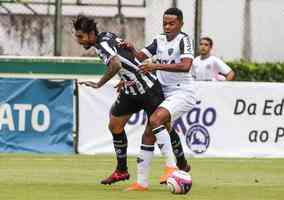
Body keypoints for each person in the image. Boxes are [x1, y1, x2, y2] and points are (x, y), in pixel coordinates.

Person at [72, 15, 188, 188]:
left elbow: (116, 64)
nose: (79, 41)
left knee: (163, 127)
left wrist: (98, 84)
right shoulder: (107, 36)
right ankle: (121, 170)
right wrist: (125, 77)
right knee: (115, 125)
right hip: (130, 88)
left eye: (81, 37)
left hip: (148, 87)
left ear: (90, 34)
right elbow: (126, 56)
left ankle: (181, 164)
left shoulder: (102, 45)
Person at [122, 8, 197, 191]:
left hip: (182, 92)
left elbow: (186, 66)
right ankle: (142, 183)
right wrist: (132, 50)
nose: (168, 26)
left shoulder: (184, 40)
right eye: (165, 23)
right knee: (149, 132)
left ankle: (171, 167)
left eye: (172, 23)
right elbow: (139, 59)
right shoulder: (159, 40)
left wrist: (155, 65)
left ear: (180, 23)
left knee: (155, 120)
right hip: (163, 92)